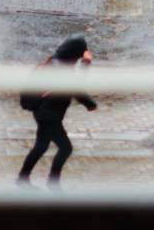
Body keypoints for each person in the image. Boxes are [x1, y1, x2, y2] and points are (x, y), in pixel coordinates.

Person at [17, 36, 97, 189]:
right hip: (49, 115)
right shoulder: (63, 69)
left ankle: (23, 179)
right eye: (83, 51)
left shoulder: (54, 61)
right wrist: (90, 104)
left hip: (42, 112)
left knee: (41, 147)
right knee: (65, 148)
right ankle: (52, 183)